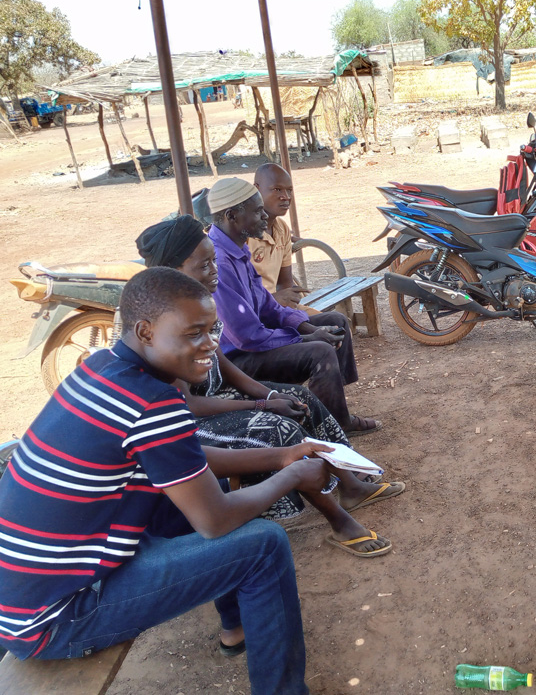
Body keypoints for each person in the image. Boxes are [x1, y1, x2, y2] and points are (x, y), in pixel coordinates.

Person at [0, 268, 323, 693]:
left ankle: (237, 626)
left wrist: (281, 456)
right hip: (58, 615)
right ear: (145, 331)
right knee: (263, 545)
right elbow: (215, 522)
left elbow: (185, 463)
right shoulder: (153, 403)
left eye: (211, 331)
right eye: (194, 333)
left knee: (200, 492)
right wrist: (295, 474)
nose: (210, 344)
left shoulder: (102, 368)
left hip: (32, 591)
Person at [135, 216, 402, 545]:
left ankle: (350, 484)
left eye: (213, 261)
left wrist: (273, 394)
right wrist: (261, 404)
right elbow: (187, 404)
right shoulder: (163, 324)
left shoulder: (198, 304)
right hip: (189, 418)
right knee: (279, 428)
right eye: (204, 265)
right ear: (172, 270)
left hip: (221, 397)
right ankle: (338, 520)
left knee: (300, 402)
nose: (214, 270)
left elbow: (225, 367)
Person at [206, 177, 380, 436]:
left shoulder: (237, 250)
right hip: (237, 361)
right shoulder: (219, 260)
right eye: (257, 211)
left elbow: (268, 306)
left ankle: (332, 410)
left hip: (254, 342)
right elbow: (246, 336)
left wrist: (307, 326)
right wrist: (303, 336)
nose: (265, 216)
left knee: (336, 322)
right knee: (319, 352)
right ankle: (329, 426)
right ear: (232, 216)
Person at [246, 163, 311, 308]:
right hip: (256, 311)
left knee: (336, 321)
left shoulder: (282, 229)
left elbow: (284, 283)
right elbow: (239, 298)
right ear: (256, 189)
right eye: (277, 189)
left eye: (289, 190)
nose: (286, 197)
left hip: (278, 308)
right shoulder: (245, 233)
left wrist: (293, 311)